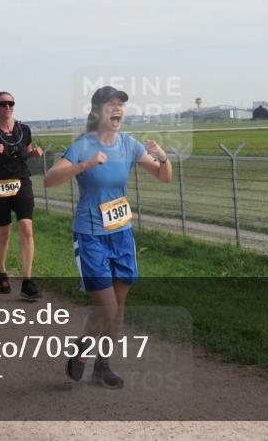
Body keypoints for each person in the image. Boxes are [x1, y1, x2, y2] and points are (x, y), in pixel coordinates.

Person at [44, 86, 172, 389]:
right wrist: (85, 165)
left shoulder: (130, 144)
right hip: (91, 237)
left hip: (121, 234)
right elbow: (50, 179)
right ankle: (82, 348)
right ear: (97, 112)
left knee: (117, 311)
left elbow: (163, 176)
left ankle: (102, 366)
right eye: (111, 104)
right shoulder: (83, 146)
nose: (118, 109)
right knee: (107, 308)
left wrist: (163, 158)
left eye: (121, 105)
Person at [0, 91, 43, 301]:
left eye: (10, 103)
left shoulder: (24, 130)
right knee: (4, 232)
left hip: (22, 183)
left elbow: (26, 154)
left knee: (26, 227)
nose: (7, 107)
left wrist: (34, 154)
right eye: (2, 104)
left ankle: (27, 281)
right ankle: (2, 272)